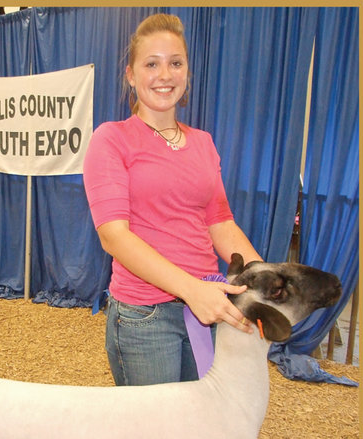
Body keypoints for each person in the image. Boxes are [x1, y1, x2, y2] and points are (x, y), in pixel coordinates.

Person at [83, 13, 262, 386]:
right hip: (143, 317)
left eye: (175, 63)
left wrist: (263, 279)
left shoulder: (203, 142)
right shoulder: (111, 139)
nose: (165, 75)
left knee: (198, 437)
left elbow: (220, 223)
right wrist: (191, 289)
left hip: (206, 308)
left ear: (187, 73)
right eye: (152, 64)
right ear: (131, 75)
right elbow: (113, 236)